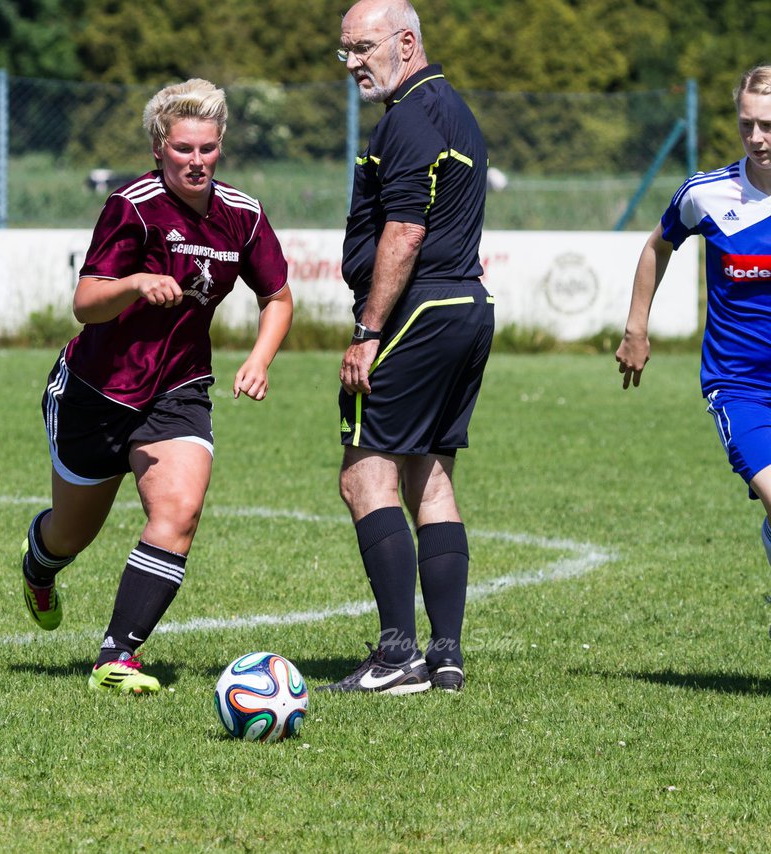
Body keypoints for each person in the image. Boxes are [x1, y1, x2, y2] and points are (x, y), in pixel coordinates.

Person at [16, 78, 294, 695]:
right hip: (96, 391)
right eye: (184, 149)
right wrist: (136, 282)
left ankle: (118, 657)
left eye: (208, 148)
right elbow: (86, 304)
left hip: (179, 390)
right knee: (71, 534)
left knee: (178, 511)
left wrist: (260, 358)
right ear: (158, 149)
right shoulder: (131, 206)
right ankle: (39, 565)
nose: (197, 161)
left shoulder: (242, 216)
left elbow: (276, 297)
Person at [324, 0, 493, 694]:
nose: (353, 63)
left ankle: (397, 657)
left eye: (363, 48)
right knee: (430, 475)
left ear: (406, 41)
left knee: (364, 475)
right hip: (466, 308)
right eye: (345, 52)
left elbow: (405, 232)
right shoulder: (452, 108)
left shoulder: (410, 117)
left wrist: (368, 330)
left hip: (419, 313)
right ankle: (444, 657)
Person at [617, 66, 771, 577]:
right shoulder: (706, 193)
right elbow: (656, 247)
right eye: (746, 124)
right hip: (740, 387)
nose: (756, 138)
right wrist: (636, 329)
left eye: (768, 125)